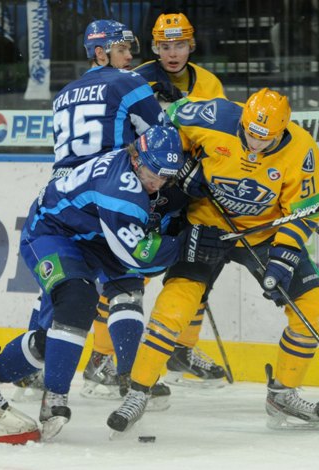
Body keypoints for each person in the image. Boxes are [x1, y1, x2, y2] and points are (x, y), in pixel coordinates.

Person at [0, 125, 229, 440]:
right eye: (152, 173)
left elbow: (157, 220)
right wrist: (186, 245)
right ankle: (47, 394)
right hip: (53, 233)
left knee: (128, 291)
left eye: (165, 177)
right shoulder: (120, 189)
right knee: (77, 300)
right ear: (136, 159)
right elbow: (139, 256)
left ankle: (130, 379)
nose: (156, 183)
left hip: (96, 236)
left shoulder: (147, 173)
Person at [107, 88, 319, 434]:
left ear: (282, 130)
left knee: (314, 309)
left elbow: (304, 212)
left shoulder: (303, 150)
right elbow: (169, 120)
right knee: (173, 308)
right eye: (250, 134)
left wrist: (283, 260)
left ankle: (283, 393)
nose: (255, 144)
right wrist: (184, 166)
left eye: (265, 139)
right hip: (206, 225)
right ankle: (139, 390)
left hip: (264, 235)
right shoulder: (214, 117)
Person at [8, 18, 169, 404]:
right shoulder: (129, 82)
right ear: (100, 52)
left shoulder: (64, 93)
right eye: (122, 49)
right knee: (125, 280)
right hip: (109, 192)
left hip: (62, 195)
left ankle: (31, 369)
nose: (130, 56)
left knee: (63, 287)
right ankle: (128, 374)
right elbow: (160, 136)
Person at [134, 11, 229, 387]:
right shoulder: (138, 80)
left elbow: (222, 137)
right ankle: (102, 357)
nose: (172, 54)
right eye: (164, 46)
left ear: (192, 45)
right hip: (149, 187)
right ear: (155, 47)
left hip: (193, 190)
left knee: (197, 270)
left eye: (179, 45)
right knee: (132, 272)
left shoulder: (209, 83)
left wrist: (203, 173)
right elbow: (122, 134)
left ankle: (181, 350)